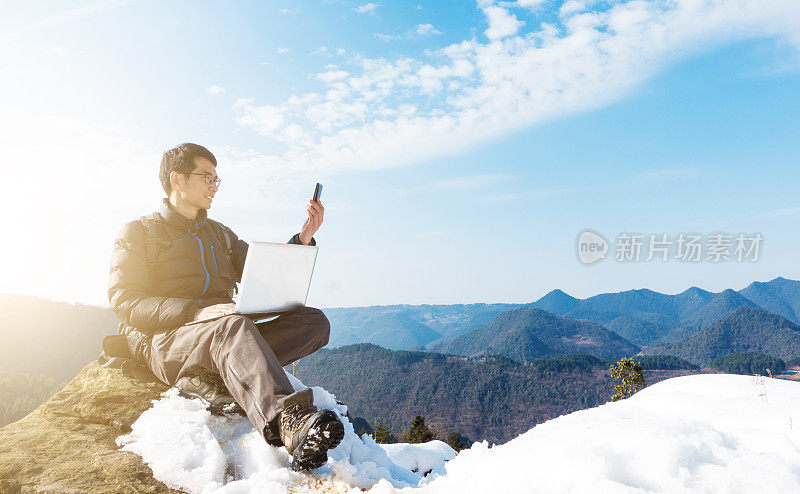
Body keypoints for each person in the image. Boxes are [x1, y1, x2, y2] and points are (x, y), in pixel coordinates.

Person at [107, 143, 343, 471]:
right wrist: (193, 312)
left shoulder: (219, 234)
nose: (213, 186)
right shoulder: (140, 233)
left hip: (225, 334)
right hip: (169, 340)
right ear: (177, 179)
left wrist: (303, 238)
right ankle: (291, 422)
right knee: (231, 326)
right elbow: (125, 301)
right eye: (206, 177)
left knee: (314, 322)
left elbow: (264, 275)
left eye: (217, 180)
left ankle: (215, 380)